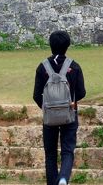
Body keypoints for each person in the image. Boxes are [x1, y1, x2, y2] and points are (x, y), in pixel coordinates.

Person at [33, 30, 86, 185]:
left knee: (50, 154)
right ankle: (63, 178)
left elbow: (36, 95)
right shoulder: (74, 67)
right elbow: (81, 92)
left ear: (50, 45)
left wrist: (47, 108)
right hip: (69, 114)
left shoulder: (42, 67)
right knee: (67, 151)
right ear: (67, 46)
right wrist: (70, 104)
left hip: (49, 116)